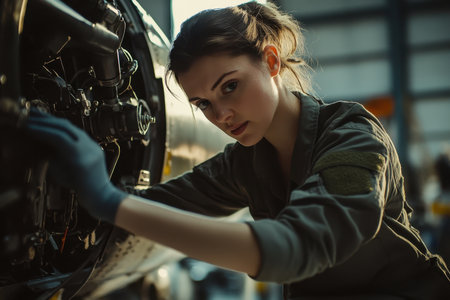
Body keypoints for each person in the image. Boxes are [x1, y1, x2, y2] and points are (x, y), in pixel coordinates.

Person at [25, 2, 449, 299]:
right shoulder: (247, 161)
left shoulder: (355, 137)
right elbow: (158, 208)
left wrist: (110, 201)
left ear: (270, 61)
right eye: (203, 104)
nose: (222, 115)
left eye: (230, 86)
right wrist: (73, 190)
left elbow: (292, 248)